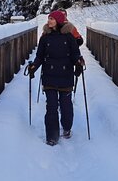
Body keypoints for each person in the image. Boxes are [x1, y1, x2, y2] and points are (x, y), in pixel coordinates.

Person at [28, 10, 85, 145]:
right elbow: (40, 56)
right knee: (51, 106)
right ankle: (52, 136)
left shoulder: (69, 37)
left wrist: (78, 63)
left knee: (66, 106)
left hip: (65, 76)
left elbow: (75, 54)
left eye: (52, 19)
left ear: (58, 21)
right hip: (49, 76)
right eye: (49, 18)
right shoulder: (45, 37)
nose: (49, 21)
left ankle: (66, 127)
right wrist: (34, 67)